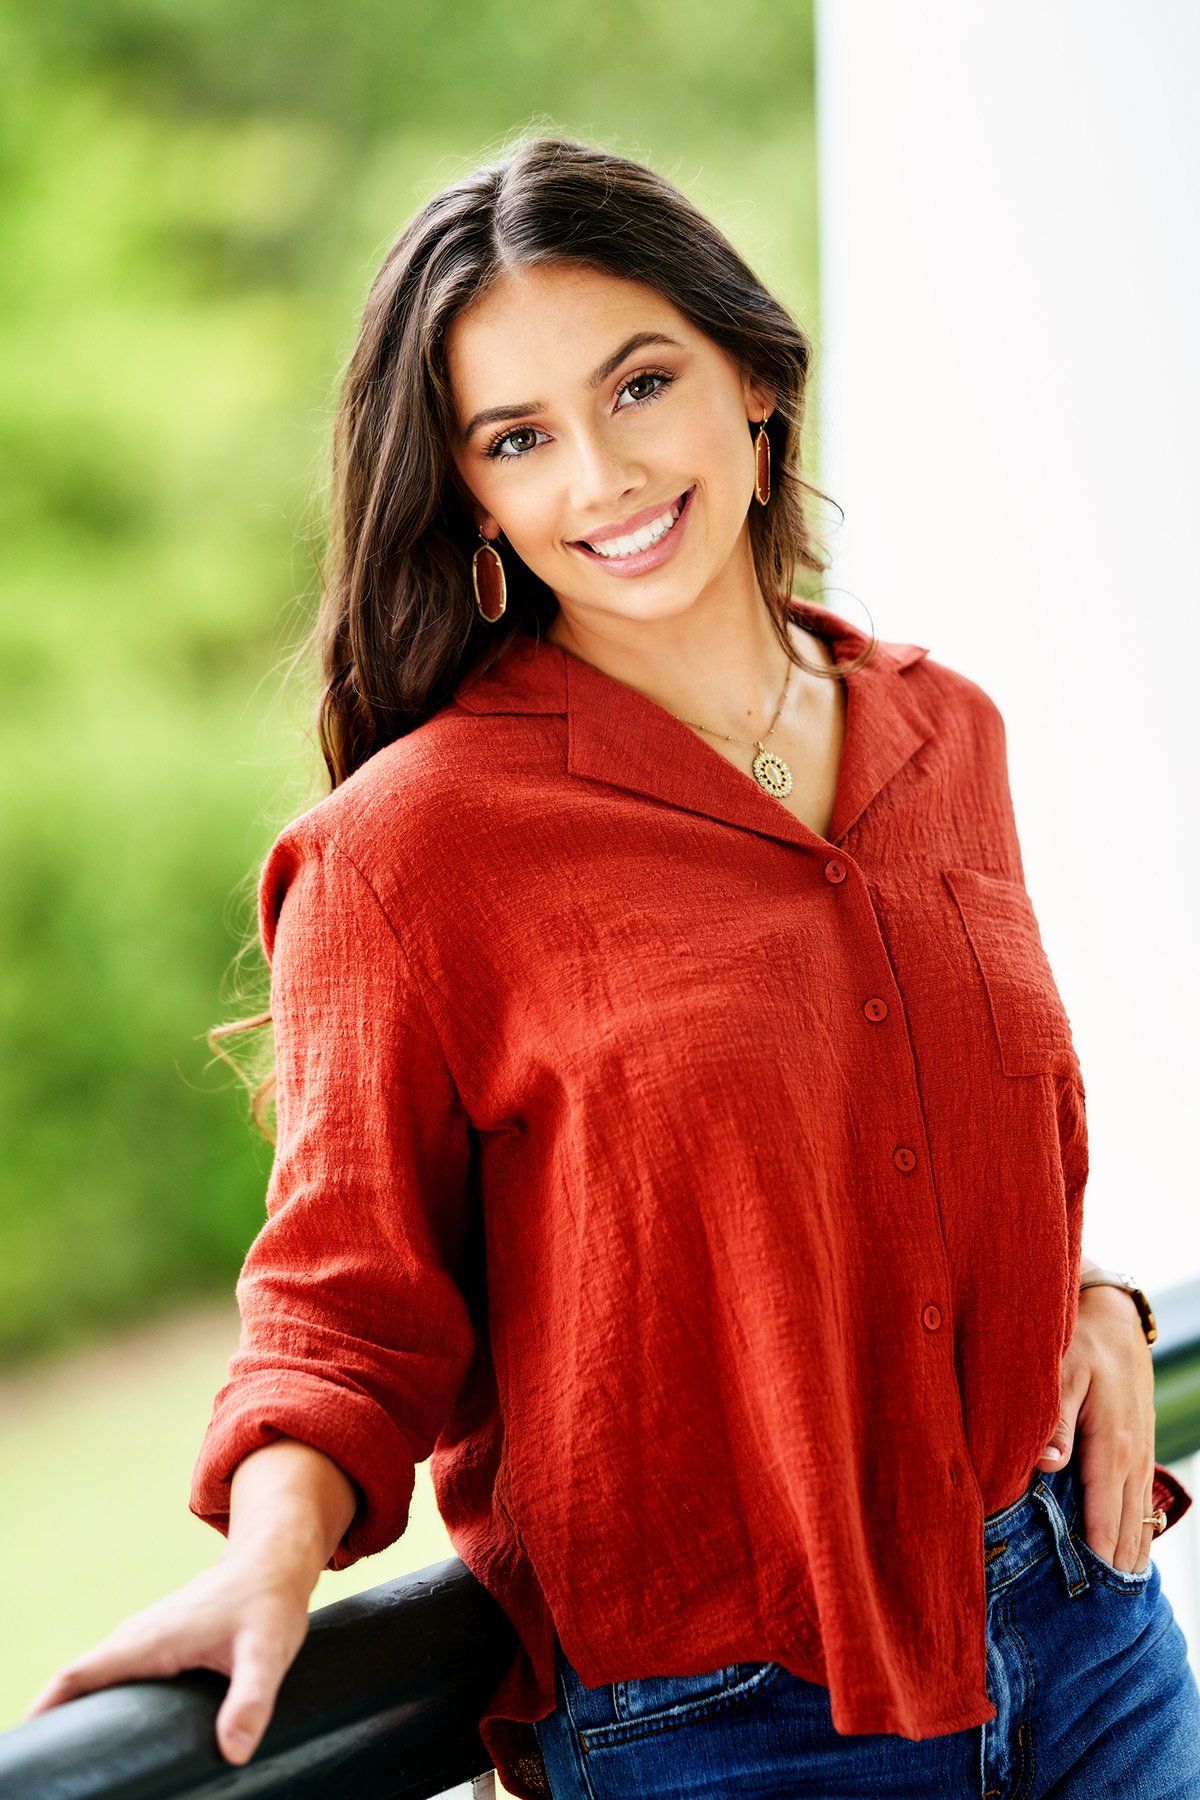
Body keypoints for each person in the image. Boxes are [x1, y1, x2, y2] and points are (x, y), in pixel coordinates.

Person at [23, 133, 1200, 1799]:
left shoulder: (951, 735)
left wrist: (1084, 1291)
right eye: (518, 436)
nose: (601, 475)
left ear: (755, 379)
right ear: (474, 492)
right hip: (732, 1726)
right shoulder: (409, 852)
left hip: (1092, 1640)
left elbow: (966, 1132)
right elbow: (341, 1306)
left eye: (639, 385)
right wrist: (268, 1558)